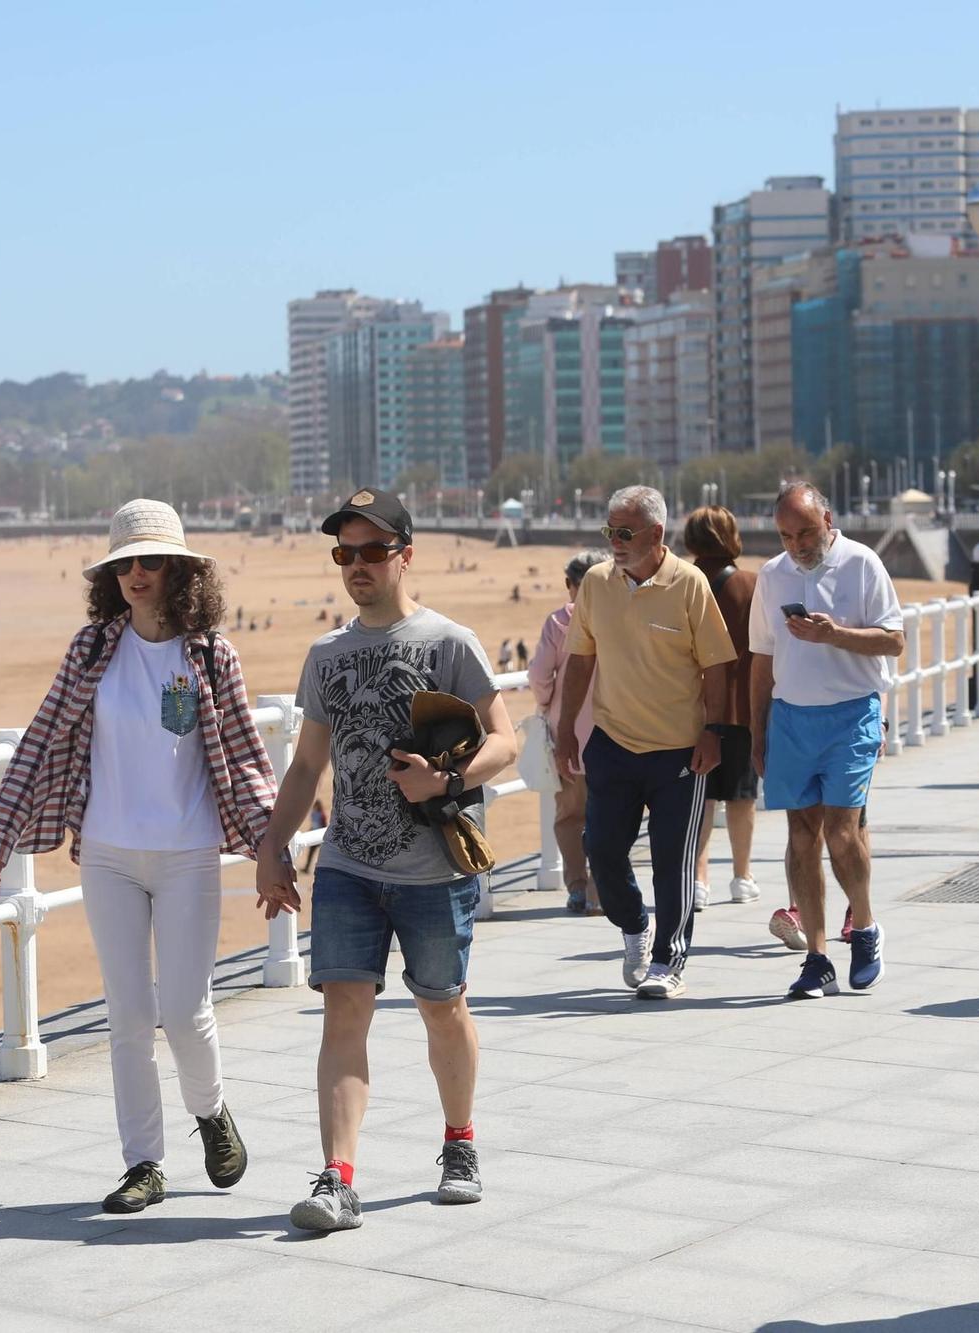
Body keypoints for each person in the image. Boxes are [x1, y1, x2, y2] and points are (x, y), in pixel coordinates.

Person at [0, 498, 276, 1216]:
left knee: (184, 1008)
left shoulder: (210, 654)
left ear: (178, 569)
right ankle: (144, 1162)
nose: (137, 575)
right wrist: (0, 835)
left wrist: (274, 851)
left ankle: (211, 1112)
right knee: (128, 1014)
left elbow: (245, 755)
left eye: (150, 561)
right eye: (124, 564)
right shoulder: (91, 649)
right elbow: (42, 738)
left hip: (189, 852)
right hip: (107, 852)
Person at [254, 487, 516, 1233]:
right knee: (344, 1011)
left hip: (433, 867)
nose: (358, 565)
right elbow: (307, 767)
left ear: (406, 553)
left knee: (443, 1005)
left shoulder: (448, 643)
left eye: (373, 550)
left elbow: (506, 738)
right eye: (345, 552)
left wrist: (450, 781)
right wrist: (275, 847)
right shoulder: (327, 656)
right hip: (347, 864)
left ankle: (459, 1143)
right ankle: (338, 1179)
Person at [554, 485, 734, 1001]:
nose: (615, 541)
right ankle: (634, 927)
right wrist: (567, 729)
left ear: (656, 534)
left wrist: (713, 732)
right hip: (612, 742)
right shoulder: (595, 583)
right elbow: (582, 660)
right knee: (602, 848)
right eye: (609, 531)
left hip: (680, 749)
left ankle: (667, 960)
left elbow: (717, 664)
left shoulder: (690, 584)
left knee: (671, 859)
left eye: (625, 532)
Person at [750, 482, 903, 999]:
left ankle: (864, 928)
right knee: (800, 838)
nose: (796, 544)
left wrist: (834, 633)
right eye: (786, 535)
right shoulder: (772, 575)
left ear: (828, 520)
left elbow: (895, 640)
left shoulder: (862, 564)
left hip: (852, 713)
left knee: (842, 833)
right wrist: (757, 730)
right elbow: (762, 657)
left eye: (806, 532)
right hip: (791, 718)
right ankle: (817, 959)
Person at [681, 504, 761, 910]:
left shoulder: (679, 583)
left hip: (690, 709)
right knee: (742, 797)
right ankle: (742, 876)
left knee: (700, 798)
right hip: (741, 707)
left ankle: (698, 880)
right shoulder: (750, 585)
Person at [528, 550, 608, 916]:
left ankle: (577, 887)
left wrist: (546, 704)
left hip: (569, 730)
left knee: (569, 815)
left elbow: (539, 675)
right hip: (613, 731)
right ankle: (598, 890)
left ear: (570, 584)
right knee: (608, 814)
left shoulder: (560, 621)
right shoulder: (616, 618)